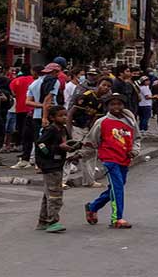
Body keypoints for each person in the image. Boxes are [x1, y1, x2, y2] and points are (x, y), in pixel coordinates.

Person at [84, 93, 141, 229]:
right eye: (112, 104)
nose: (116, 107)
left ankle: (93, 207)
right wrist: (82, 154)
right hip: (109, 159)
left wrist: (135, 151)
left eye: (119, 104)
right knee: (118, 187)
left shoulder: (130, 121)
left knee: (116, 187)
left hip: (125, 159)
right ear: (107, 106)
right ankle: (117, 218)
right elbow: (91, 141)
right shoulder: (102, 122)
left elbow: (136, 138)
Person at [35, 106, 79, 233]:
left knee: (48, 194)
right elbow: (40, 144)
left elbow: (67, 143)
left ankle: (43, 220)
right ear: (52, 118)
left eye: (65, 115)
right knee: (55, 194)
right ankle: (53, 221)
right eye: (61, 115)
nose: (64, 117)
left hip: (58, 164)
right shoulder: (50, 130)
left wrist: (74, 148)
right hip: (50, 165)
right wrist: (54, 150)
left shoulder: (63, 129)